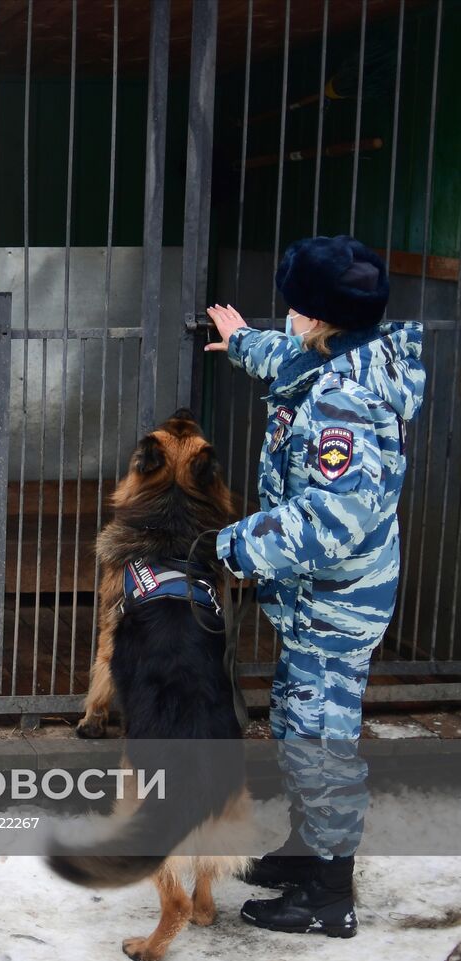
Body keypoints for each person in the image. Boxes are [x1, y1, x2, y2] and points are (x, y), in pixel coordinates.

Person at [204, 235, 426, 938]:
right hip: (323, 597)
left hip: (336, 600)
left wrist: (228, 547)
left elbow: (330, 519)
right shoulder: (346, 352)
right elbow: (289, 360)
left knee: (320, 740)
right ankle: (308, 851)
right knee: (302, 724)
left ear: (322, 317)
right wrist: (242, 341)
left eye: (296, 307)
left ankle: (329, 896)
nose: (289, 317)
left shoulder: (346, 403)